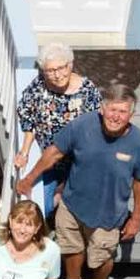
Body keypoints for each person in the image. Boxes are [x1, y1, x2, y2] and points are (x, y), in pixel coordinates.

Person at [16, 83, 140, 279]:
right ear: (101, 108)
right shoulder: (82, 126)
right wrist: (29, 178)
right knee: (71, 248)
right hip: (72, 205)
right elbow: (54, 152)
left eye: (122, 111)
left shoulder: (139, 144)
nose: (116, 116)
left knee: (101, 257)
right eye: (111, 110)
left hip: (109, 214)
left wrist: (137, 217)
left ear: (132, 114)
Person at [13, 44, 102, 216]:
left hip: (77, 162)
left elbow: (96, 130)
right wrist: (24, 151)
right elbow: (27, 115)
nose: (57, 75)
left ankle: (62, 195)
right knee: (41, 208)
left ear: (71, 65)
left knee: (75, 207)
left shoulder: (88, 91)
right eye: (51, 70)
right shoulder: (39, 86)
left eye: (62, 68)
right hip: (46, 160)